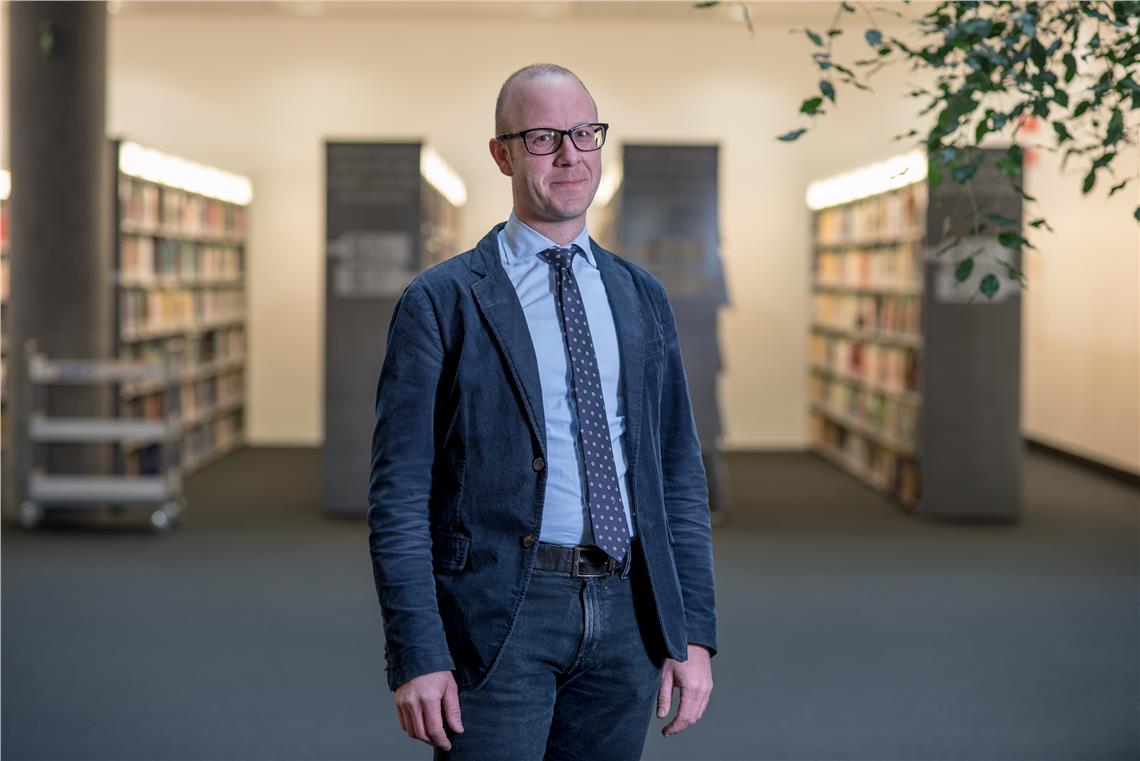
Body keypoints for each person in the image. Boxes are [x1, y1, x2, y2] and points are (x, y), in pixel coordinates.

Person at [367, 63, 717, 760]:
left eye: (584, 133)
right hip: (499, 613)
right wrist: (417, 650)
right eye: (542, 137)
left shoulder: (640, 296)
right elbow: (400, 494)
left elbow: (678, 473)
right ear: (502, 154)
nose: (569, 155)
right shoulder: (442, 301)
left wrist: (692, 632)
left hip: (628, 613)